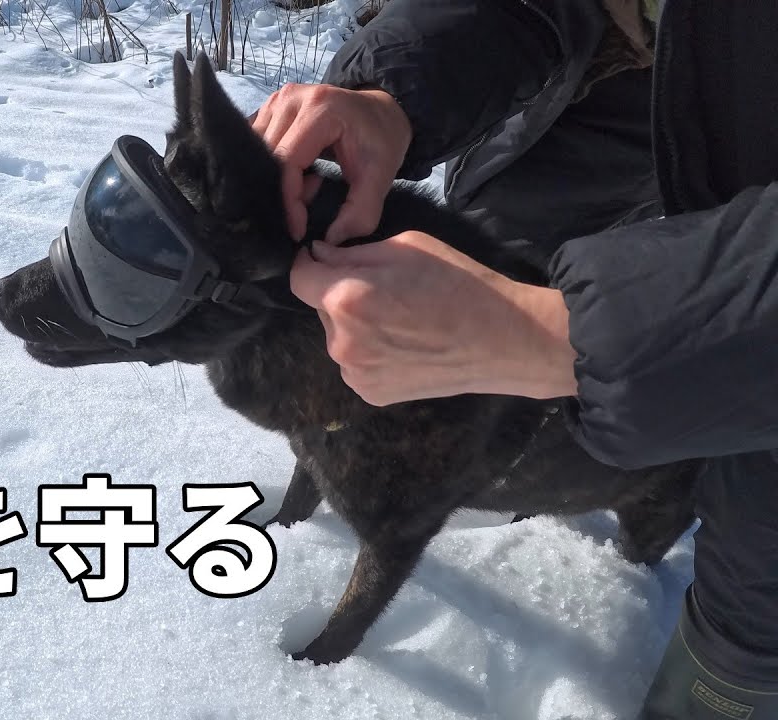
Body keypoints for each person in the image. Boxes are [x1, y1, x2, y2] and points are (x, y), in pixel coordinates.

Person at [249, 1, 778, 718]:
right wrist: (393, 93)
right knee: (503, 240)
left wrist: (570, 338)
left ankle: (721, 672)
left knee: (757, 553)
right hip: (646, 76)